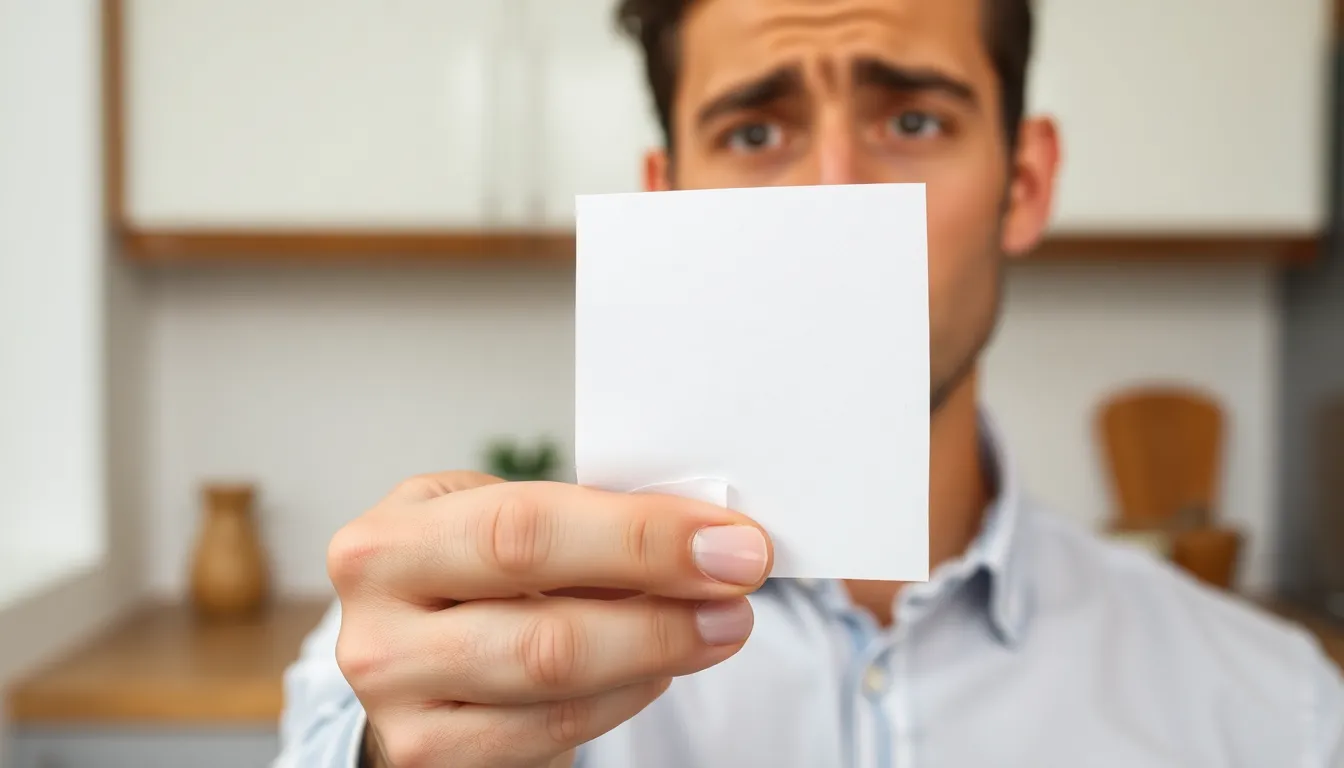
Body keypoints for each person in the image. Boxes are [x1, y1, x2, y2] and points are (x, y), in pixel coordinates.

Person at [275, 0, 1344, 766]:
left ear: (1023, 183)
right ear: (667, 197)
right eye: (755, 132)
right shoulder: (447, 658)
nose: (836, 192)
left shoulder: (1277, 708)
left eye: (913, 122)